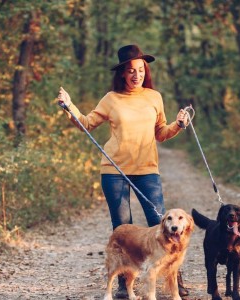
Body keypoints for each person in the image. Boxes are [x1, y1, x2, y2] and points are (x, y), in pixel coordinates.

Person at [57, 44, 189, 297]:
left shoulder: (154, 97)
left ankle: (174, 282)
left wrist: (178, 125)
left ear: (145, 71)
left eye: (139, 70)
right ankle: (123, 285)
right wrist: (69, 106)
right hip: (114, 171)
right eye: (130, 71)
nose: (135, 75)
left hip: (147, 170)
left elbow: (160, 133)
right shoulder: (111, 99)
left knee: (161, 223)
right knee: (123, 227)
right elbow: (86, 124)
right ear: (122, 73)